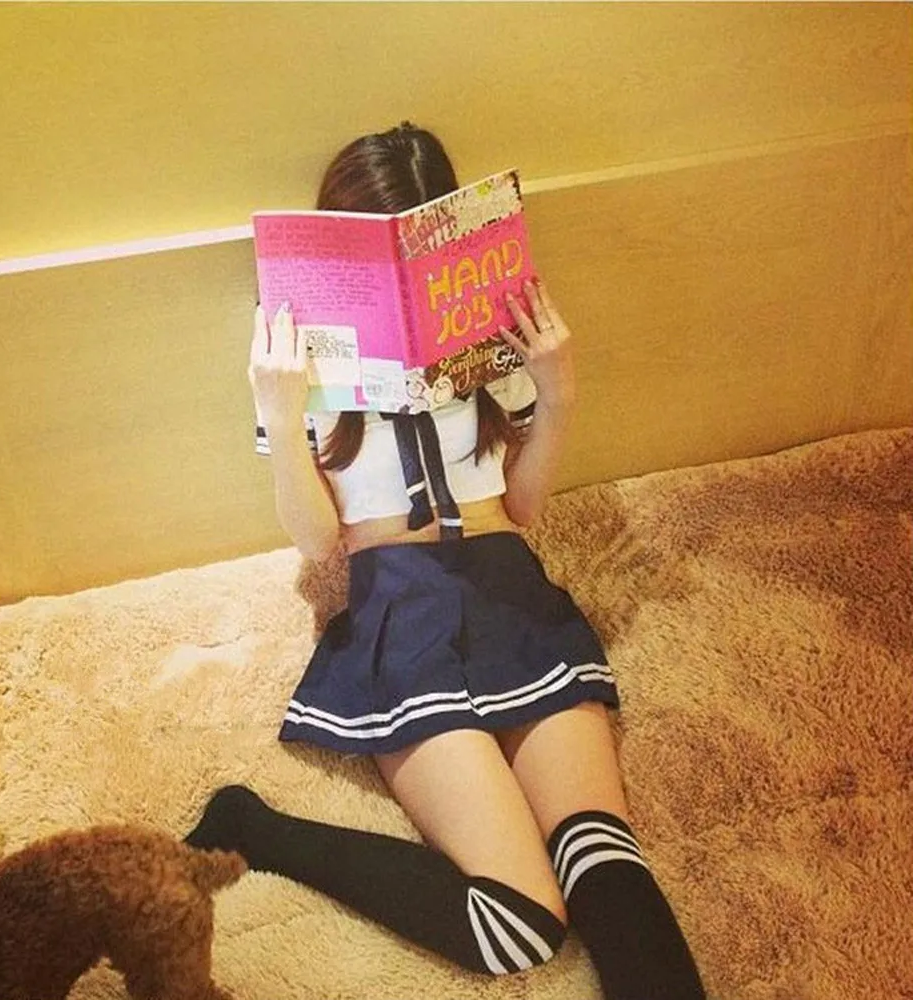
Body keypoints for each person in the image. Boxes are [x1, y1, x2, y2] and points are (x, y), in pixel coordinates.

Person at [186, 123, 706, 999]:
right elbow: (318, 543)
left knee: (607, 867)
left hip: (508, 593)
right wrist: (279, 412)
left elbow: (523, 509)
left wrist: (558, 394)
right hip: (400, 613)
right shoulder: (292, 352)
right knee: (518, 923)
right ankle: (257, 827)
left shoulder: (487, 329)